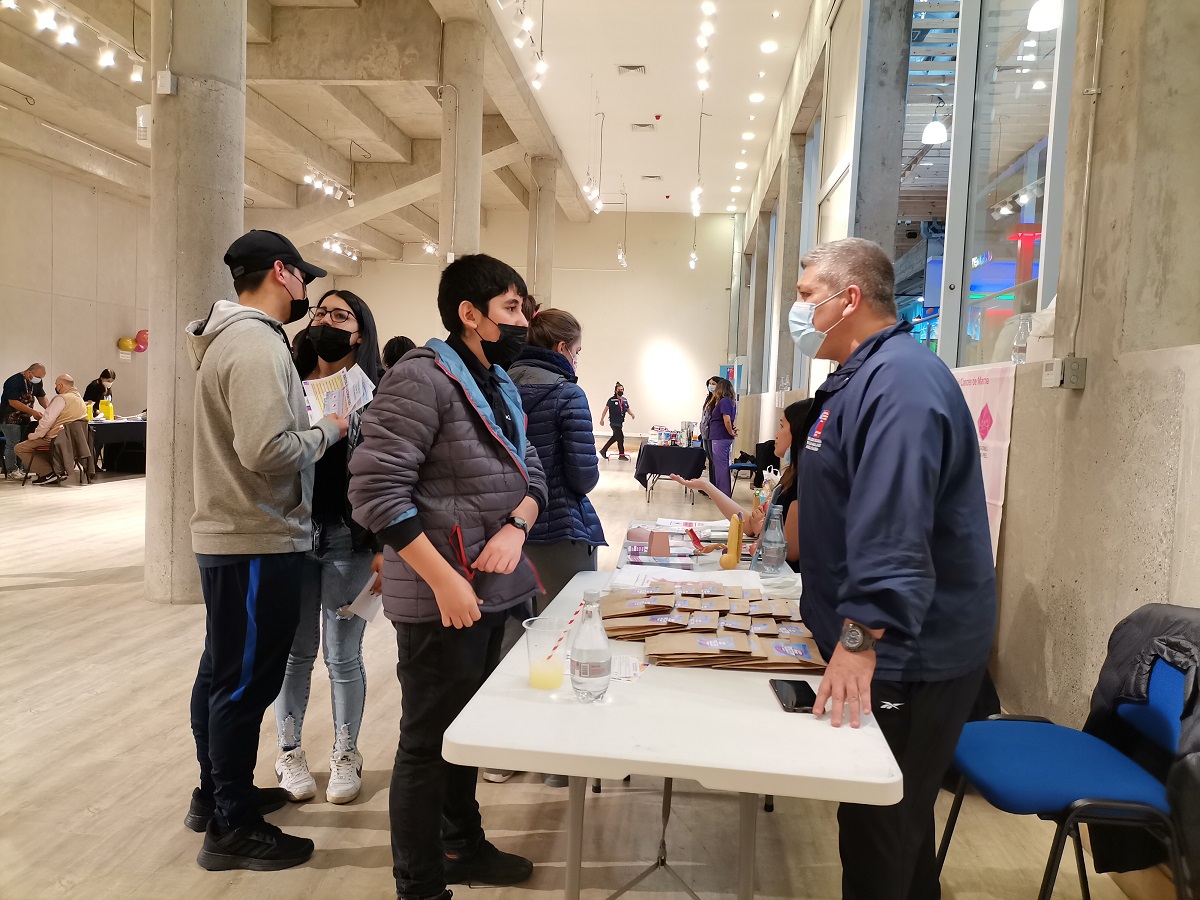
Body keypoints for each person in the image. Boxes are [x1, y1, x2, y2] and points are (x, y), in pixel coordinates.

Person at [790, 237, 996, 899]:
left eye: (804, 296)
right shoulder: (858, 376)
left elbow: (894, 531)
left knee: (880, 833)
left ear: (848, 298)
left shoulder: (900, 381)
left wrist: (856, 642)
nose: (798, 313)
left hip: (907, 652)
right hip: (877, 642)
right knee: (892, 823)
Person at [348, 253, 547, 900]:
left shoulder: (498, 381)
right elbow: (377, 492)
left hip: (488, 592)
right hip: (444, 598)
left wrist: (518, 524)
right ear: (470, 313)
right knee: (427, 745)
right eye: (512, 308)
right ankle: (420, 883)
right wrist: (443, 581)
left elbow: (532, 475)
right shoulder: (421, 379)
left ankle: (463, 843)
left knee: (466, 733)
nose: (523, 320)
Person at [184, 229, 348, 873]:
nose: (306, 289)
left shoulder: (233, 338)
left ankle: (217, 796)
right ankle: (231, 826)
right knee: (243, 684)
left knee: (222, 673)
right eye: (302, 276)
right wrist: (326, 430)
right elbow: (267, 450)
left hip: (238, 535)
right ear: (281, 273)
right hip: (254, 535)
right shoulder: (255, 341)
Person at [273, 289, 384, 807]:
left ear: (359, 331)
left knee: (343, 656)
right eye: (320, 312)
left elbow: (389, 474)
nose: (327, 321)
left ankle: (346, 752)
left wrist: (385, 542)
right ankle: (289, 750)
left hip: (349, 537)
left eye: (341, 315)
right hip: (290, 535)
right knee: (295, 654)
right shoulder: (284, 385)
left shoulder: (375, 392)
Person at [507, 310, 606, 788]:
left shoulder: (495, 384)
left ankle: (502, 750)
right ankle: (554, 761)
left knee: (508, 641)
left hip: (504, 534)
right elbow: (583, 474)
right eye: (578, 351)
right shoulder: (568, 393)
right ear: (565, 349)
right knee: (564, 637)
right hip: (558, 527)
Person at [671, 399, 811, 567]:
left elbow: (791, 553)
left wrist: (766, 533)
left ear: (800, 433)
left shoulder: (804, 485)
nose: (776, 434)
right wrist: (705, 486)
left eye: (782, 426)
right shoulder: (789, 476)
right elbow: (750, 524)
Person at [16, 373, 88, 485]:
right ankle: (56, 470)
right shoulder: (80, 400)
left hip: (55, 439)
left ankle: (47, 473)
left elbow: (46, 421)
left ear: (60, 385)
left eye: (56, 384)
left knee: (19, 448)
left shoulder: (61, 399)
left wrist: (35, 435)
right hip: (73, 442)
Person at [1, 363, 48, 478]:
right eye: (38, 377)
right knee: (13, 444)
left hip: (25, 419)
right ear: (29, 372)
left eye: (41, 378)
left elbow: (41, 397)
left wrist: (49, 410)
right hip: (10, 418)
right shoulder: (14, 381)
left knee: (22, 444)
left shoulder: (36, 382)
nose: (39, 380)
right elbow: (13, 402)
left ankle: (20, 468)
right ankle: (12, 470)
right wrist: (33, 412)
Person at [707, 377, 738, 497]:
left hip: (720, 437)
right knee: (722, 465)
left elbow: (727, 421)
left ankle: (722, 494)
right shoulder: (729, 401)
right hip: (721, 437)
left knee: (720, 467)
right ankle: (723, 493)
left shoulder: (724, 401)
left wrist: (731, 432)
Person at [599, 382, 634, 460]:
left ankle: (603, 450)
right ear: (615, 391)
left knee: (615, 437)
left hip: (620, 422)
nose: (620, 391)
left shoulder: (624, 400)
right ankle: (621, 455)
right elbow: (605, 410)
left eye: (622, 389)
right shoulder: (611, 400)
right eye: (619, 389)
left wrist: (631, 414)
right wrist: (602, 419)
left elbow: (627, 409)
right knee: (620, 437)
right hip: (613, 423)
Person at [699, 375, 720, 481]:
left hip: (712, 433)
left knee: (714, 460)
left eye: (713, 384)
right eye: (710, 384)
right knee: (710, 460)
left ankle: (715, 485)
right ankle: (711, 484)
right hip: (705, 433)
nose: (711, 386)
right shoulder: (709, 398)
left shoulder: (718, 400)